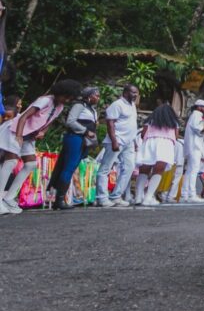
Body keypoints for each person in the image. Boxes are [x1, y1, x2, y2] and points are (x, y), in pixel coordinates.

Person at [0, 80, 82, 214]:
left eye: (69, 98)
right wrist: (19, 136)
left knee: (30, 164)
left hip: (28, 136)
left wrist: (43, 131)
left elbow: (49, 121)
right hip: (15, 130)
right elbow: (24, 116)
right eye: (66, 96)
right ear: (60, 92)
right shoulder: (45, 100)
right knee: (11, 161)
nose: (67, 100)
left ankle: (9, 198)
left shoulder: (60, 106)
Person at [48, 86, 100, 210]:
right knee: (68, 167)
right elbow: (70, 121)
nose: (98, 98)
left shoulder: (91, 109)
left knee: (70, 167)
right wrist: (85, 131)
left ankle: (60, 199)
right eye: (96, 95)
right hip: (75, 138)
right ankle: (59, 199)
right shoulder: (79, 106)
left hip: (83, 140)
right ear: (89, 96)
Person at [96, 84, 139, 208]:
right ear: (125, 92)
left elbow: (131, 123)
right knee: (105, 169)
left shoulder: (132, 105)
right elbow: (110, 123)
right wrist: (114, 141)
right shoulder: (117, 104)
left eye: (136, 93)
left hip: (129, 142)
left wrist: (134, 141)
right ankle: (102, 198)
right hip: (117, 140)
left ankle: (116, 196)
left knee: (129, 168)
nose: (135, 95)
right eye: (133, 92)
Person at [135, 104, 181, 206]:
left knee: (144, 170)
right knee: (158, 171)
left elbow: (143, 134)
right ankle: (148, 197)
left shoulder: (150, 120)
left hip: (150, 142)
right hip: (166, 144)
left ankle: (138, 197)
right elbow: (176, 136)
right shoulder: (173, 122)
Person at [180, 99, 204, 203]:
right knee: (193, 170)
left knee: (189, 171)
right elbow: (198, 128)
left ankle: (184, 194)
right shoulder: (197, 115)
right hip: (194, 147)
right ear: (199, 107)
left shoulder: (195, 115)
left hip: (192, 146)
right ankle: (191, 194)